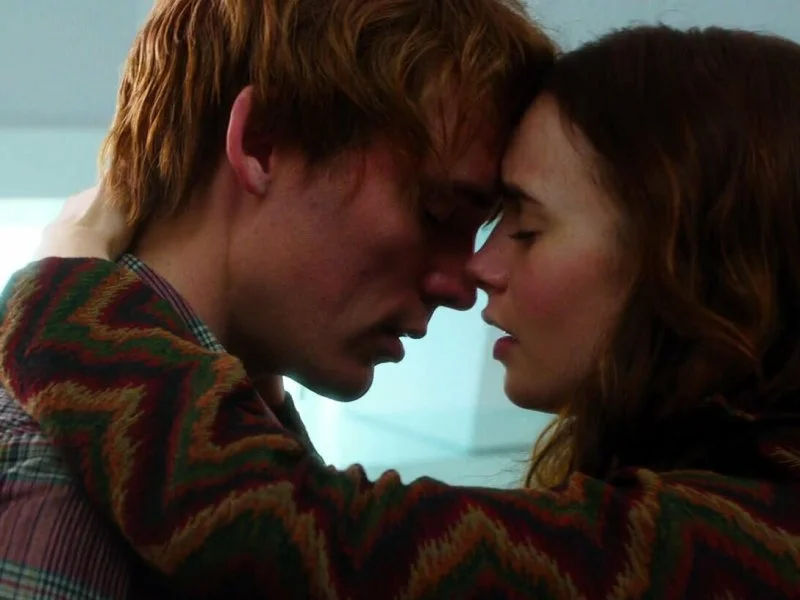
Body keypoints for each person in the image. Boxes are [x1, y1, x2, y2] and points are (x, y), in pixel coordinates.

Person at [4, 23, 800, 599]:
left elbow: (308, 538)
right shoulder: (55, 463)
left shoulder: (737, 545)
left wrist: (62, 287)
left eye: (525, 227)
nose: (475, 274)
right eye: (437, 210)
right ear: (264, 146)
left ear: (695, 262)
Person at [0, 0, 554, 598]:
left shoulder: (233, 460)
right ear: (261, 145)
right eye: (436, 210)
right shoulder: (59, 477)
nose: (463, 288)